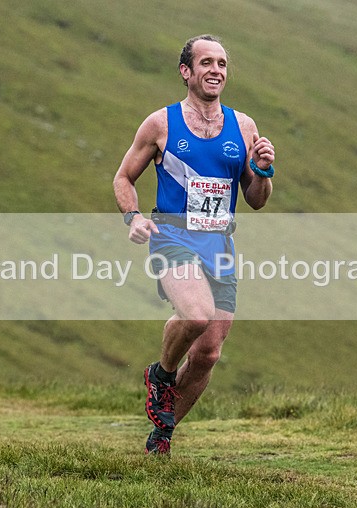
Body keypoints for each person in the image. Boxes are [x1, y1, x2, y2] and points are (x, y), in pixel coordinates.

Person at [112, 34, 276, 455]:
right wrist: (133, 217)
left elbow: (256, 200)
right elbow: (123, 177)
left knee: (208, 354)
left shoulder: (244, 127)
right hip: (172, 236)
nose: (215, 70)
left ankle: (162, 437)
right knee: (197, 316)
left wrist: (262, 170)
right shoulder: (161, 124)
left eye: (221, 63)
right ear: (186, 71)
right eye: (206, 62)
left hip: (219, 243)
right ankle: (161, 374)